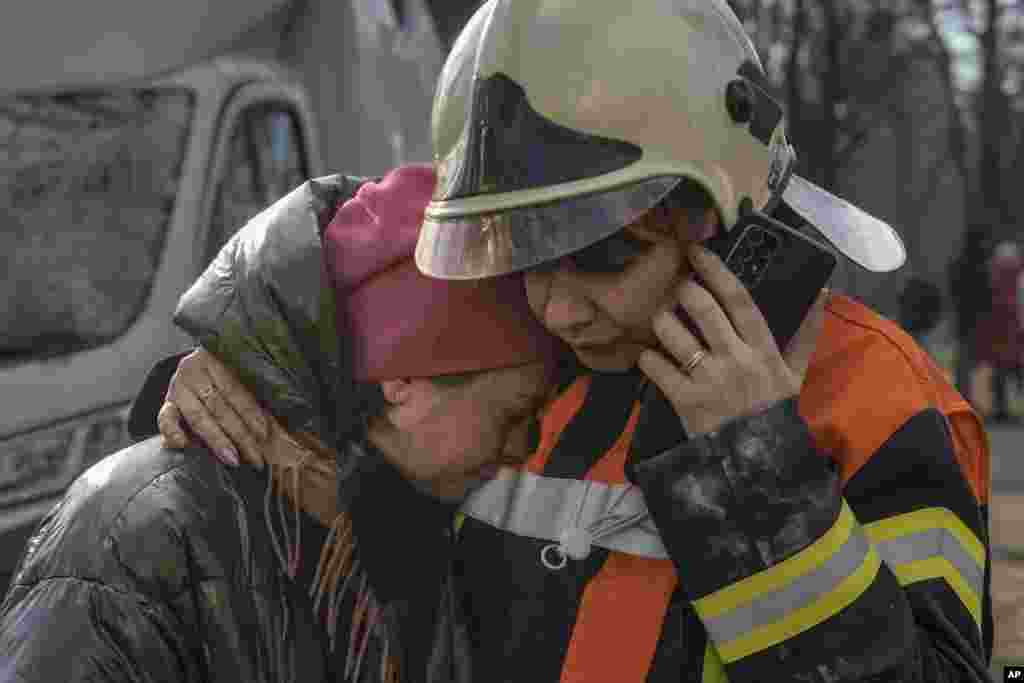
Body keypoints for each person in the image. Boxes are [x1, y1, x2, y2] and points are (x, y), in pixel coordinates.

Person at [153, 1, 993, 681]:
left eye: (602, 256)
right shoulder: (505, 358)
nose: (556, 308)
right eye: (522, 253)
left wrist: (756, 473)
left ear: (733, 222)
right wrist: (253, 349)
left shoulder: (879, 400)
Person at [0, 165, 564, 682]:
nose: (524, 447)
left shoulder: (403, 534)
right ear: (404, 381)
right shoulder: (136, 532)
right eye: (513, 414)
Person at [977, 241, 1023, 423]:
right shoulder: (1017, 276)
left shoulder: (991, 275)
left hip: (998, 331)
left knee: (1000, 372)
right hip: (1014, 330)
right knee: (1013, 371)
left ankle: (1000, 407)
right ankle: (1007, 408)